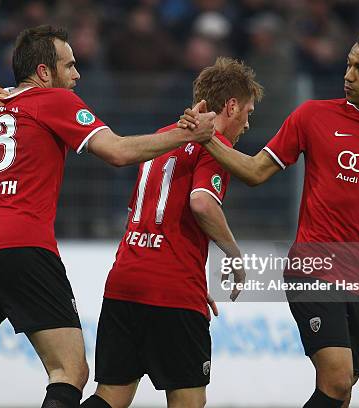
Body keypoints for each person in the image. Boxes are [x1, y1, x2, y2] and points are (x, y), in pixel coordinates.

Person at [0, 25, 216, 408]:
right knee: (70, 371)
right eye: (70, 66)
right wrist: (187, 135)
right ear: (45, 73)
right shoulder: (52, 101)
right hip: (22, 250)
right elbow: (117, 151)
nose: (77, 75)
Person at [181, 31, 359, 408]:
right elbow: (255, 171)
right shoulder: (313, 116)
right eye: (349, 64)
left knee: (343, 389)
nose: (349, 74)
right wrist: (207, 138)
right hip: (312, 266)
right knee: (336, 380)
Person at [80, 57, 260, 408]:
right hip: (173, 291)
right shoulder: (216, 144)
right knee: (188, 401)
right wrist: (236, 257)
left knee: (111, 396)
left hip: (125, 281)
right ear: (232, 105)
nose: (248, 123)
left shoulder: (163, 137)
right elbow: (202, 203)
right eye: (248, 112)